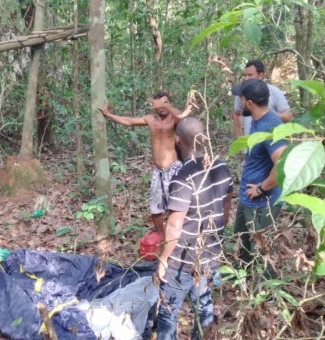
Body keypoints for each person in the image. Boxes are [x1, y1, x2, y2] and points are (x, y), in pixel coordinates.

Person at [155, 117, 233, 340]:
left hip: (182, 258)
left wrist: (163, 259)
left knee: (169, 311)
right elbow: (225, 211)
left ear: (178, 140)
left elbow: (175, 224)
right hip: (210, 253)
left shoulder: (184, 176)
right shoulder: (222, 167)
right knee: (204, 307)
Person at [98, 93, 192, 238]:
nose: (162, 107)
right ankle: (162, 239)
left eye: (165, 103)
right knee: (155, 210)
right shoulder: (150, 119)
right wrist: (108, 113)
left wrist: (167, 105)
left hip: (174, 169)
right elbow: (129, 121)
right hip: (158, 171)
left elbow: (182, 118)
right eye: (159, 105)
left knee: (177, 206)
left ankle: (179, 237)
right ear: (153, 107)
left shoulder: (174, 119)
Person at [231, 78, 287, 279]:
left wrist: (262, 188)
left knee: (262, 247)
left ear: (250, 103)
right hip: (248, 197)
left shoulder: (270, 126)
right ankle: (241, 276)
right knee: (241, 237)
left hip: (262, 201)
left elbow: (282, 165)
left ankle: (268, 291)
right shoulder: (256, 121)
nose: (239, 101)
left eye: (241, 98)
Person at [232, 60, 294, 140]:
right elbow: (236, 113)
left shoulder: (274, 92)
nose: (246, 78)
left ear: (260, 75)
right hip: (249, 145)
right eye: (245, 75)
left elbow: (289, 117)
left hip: (270, 142)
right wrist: (240, 138)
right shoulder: (241, 93)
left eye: (250, 75)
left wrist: (267, 115)